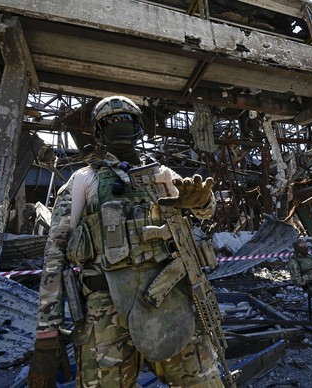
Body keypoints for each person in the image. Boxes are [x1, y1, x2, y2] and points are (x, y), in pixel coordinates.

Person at [28, 96, 226, 387]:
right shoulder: (84, 180)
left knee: (203, 381)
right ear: (99, 132)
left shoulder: (163, 175)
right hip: (104, 312)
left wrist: (203, 202)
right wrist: (47, 335)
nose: (119, 126)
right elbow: (55, 254)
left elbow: (203, 212)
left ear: (138, 127)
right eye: (110, 122)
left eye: (125, 120)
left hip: (169, 299)